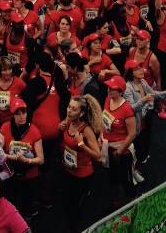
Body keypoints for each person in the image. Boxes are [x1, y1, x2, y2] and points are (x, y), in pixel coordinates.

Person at [58, 94, 102, 232]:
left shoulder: (86, 130)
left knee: (76, 206)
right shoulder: (68, 122)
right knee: (66, 202)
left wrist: (81, 145)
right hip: (67, 169)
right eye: (69, 107)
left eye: (74, 109)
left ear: (81, 113)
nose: (69, 111)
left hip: (82, 175)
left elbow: (98, 156)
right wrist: (60, 127)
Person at [101, 76, 136, 208]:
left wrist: (119, 151)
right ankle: (117, 200)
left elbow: (132, 133)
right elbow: (103, 119)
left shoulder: (127, 109)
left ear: (120, 91)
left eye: (113, 88)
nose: (109, 89)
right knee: (113, 176)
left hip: (121, 150)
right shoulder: (107, 99)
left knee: (124, 178)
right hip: (108, 146)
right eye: (109, 87)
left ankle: (131, 202)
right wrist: (101, 135)